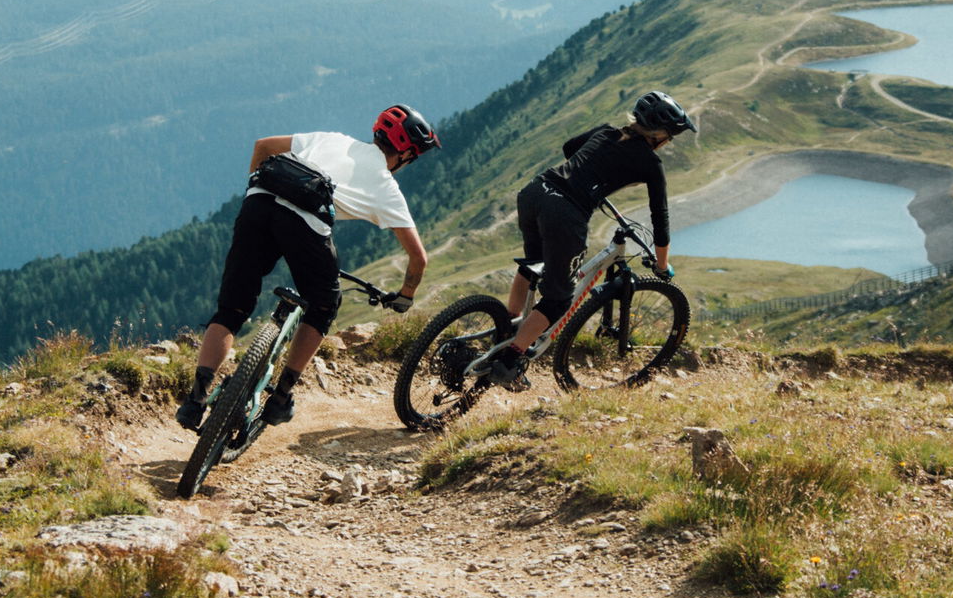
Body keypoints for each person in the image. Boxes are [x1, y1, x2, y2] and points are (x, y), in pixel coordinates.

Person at [176, 105, 437, 431]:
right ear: (407, 153)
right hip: (305, 224)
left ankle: (195, 400)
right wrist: (405, 296)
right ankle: (281, 397)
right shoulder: (385, 186)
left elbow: (263, 146)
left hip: (258, 203)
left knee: (231, 309)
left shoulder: (333, 139)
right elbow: (418, 258)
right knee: (324, 304)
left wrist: (256, 198)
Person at [487, 90, 695, 389]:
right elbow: (660, 219)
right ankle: (509, 361)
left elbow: (569, 147)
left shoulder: (607, 131)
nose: (668, 143)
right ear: (660, 134)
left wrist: (591, 176)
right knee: (559, 300)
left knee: (534, 264)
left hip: (536, 191)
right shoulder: (651, 163)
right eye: (670, 137)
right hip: (565, 213)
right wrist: (661, 266)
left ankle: (505, 327)